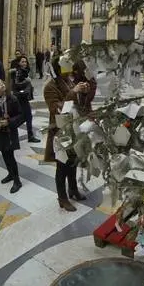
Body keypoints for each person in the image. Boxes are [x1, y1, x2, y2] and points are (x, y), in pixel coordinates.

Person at [44, 58, 94, 211]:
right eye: (66, 67)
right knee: (62, 166)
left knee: (73, 162)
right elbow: (58, 109)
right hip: (60, 131)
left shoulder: (69, 81)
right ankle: (62, 198)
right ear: (58, 69)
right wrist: (74, 92)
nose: (70, 71)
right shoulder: (50, 87)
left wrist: (85, 92)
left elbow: (79, 104)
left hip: (74, 129)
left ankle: (73, 189)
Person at [0, 79, 24, 193]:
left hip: (10, 132)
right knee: (4, 153)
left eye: (3, 83)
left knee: (10, 155)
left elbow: (21, 115)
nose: (2, 85)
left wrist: (10, 122)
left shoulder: (12, 99)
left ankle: (17, 180)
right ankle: (10, 174)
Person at [11, 55, 40, 143]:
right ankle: (12, 127)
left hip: (23, 97)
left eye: (25, 62)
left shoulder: (24, 71)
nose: (24, 63)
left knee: (27, 116)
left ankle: (28, 135)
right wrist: (27, 82)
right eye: (22, 62)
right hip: (20, 97)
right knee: (27, 116)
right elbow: (16, 84)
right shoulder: (18, 72)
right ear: (19, 63)